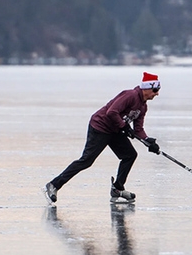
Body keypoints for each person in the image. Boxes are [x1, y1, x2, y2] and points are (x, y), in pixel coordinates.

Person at [44, 72, 162, 205]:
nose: (157, 94)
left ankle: (117, 189)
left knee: (130, 155)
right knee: (86, 160)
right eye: (155, 90)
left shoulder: (143, 106)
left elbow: (138, 129)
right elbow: (111, 111)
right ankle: (53, 185)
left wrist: (148, 141)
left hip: (115, 130)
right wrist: (124, 126)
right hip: (100, 127)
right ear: (146, 88)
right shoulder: (130, 95)